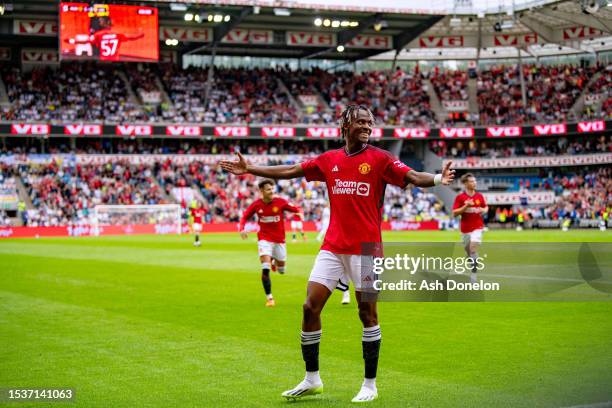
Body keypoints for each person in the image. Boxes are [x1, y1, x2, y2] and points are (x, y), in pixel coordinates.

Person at [220, 104, 455, 402]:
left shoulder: (381, 159)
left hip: (367, 251)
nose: (368, 126)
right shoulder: (328, 160)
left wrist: (436, 179)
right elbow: (291, 171)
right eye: (361, 121)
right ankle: (312, 379)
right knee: (309, 307)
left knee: (367, 313)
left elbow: (412, 176)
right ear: (345, 125)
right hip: (332, 247)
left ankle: (370, 385)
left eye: (370, 122)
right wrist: (250, 168)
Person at [239, 179, 302, 307]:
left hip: (279, 240)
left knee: (282, 270)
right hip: (264, 239)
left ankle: (274, 261)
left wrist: (295, 208)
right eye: (268, 189)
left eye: (272, 189)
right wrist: (242, 228)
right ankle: (270, 298)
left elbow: (296, 209)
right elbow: (245, 216)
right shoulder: (256, 205)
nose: (272, 191)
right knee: (265, 269)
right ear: (261, 191)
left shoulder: (280, 202)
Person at [452, 173, 488, 283]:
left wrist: (484, 210)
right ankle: (474, 259)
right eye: (472, 181)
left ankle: (473, 275)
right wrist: (466, 206)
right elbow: (454, 213)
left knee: (472, 248)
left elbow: (485, 207)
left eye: (475, 181)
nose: (474, 183)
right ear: (466, 183)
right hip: (465, 229)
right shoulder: (460, 197)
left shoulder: (479, 196)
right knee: (469, 252)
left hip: (478, 227)